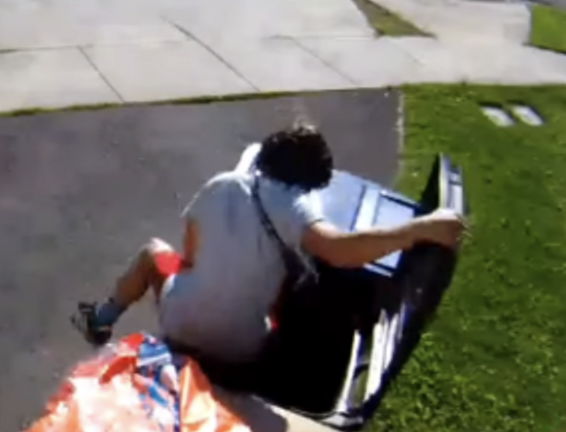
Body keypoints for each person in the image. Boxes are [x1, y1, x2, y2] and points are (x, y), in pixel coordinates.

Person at [72, 123, 466, 364]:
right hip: (241, 349)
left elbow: (190, 256)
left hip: (180, 321)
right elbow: (342, 251)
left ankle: (102, 319)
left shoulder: (221, 184)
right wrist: (420, 228)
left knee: (150, 253)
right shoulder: (298, 208)